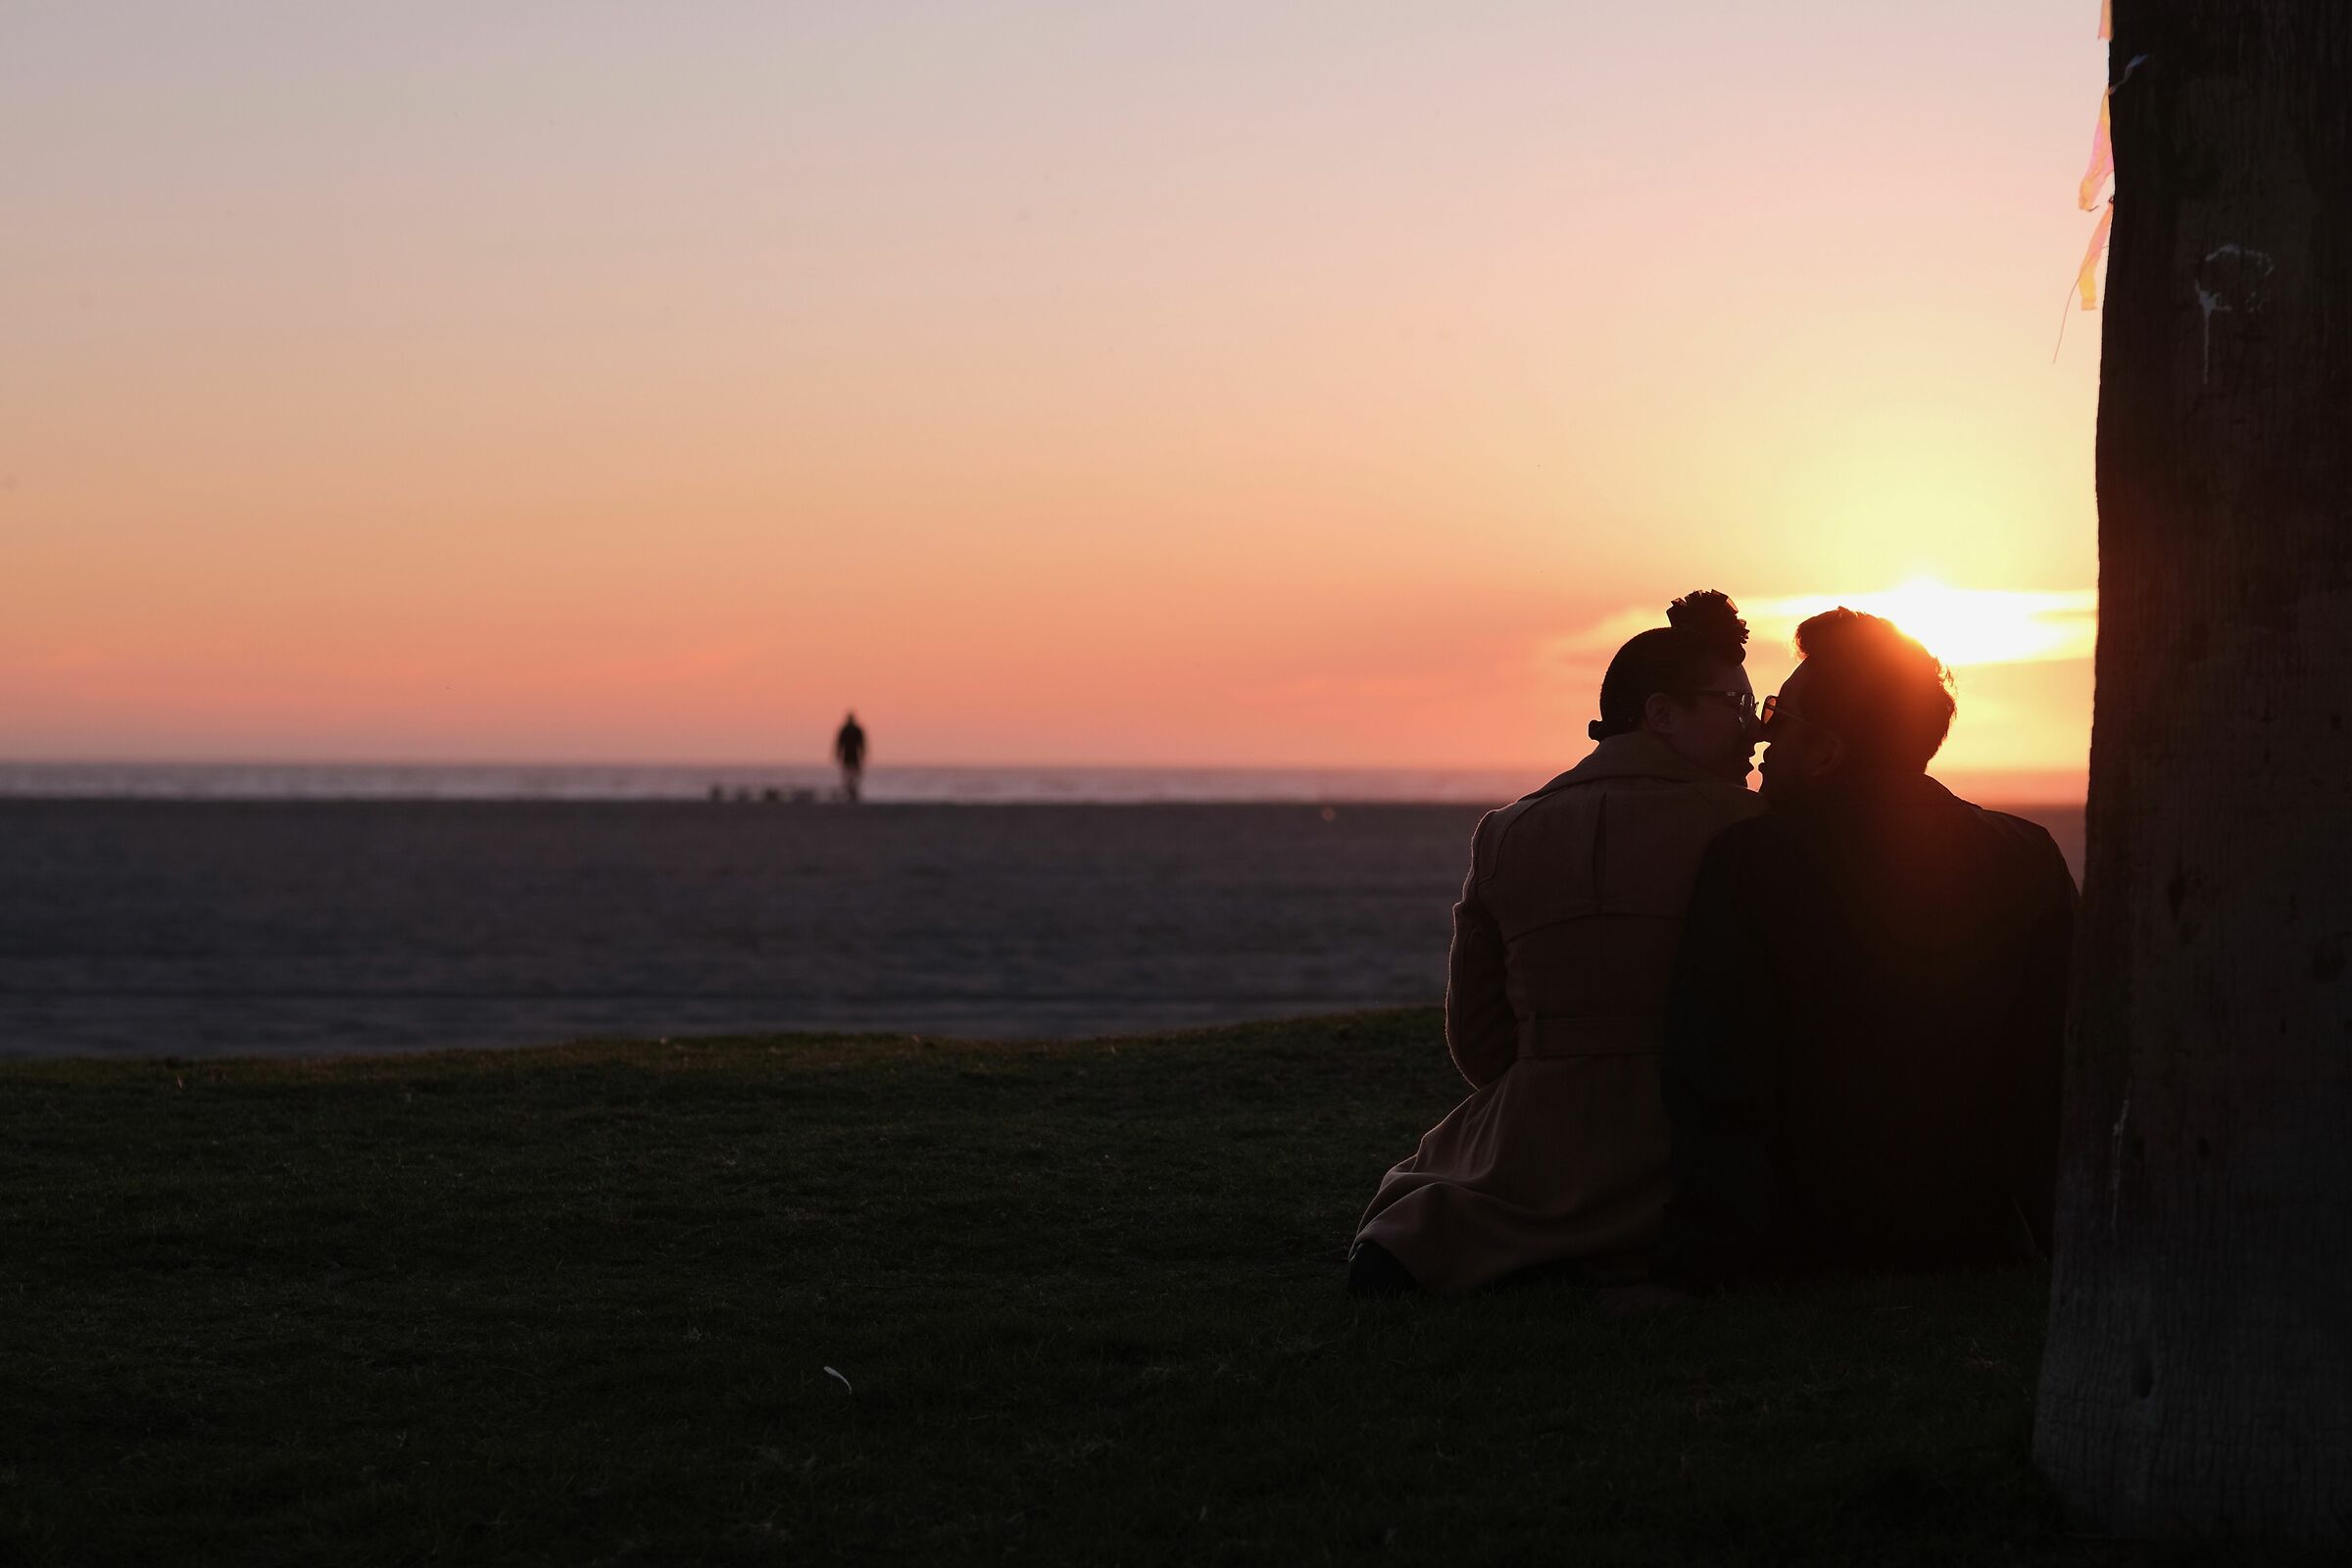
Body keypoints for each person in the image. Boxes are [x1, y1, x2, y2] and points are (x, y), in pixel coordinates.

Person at [1348, 591, 1765, 1296]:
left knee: (1432, 1200)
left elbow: (1480, 1045)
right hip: (1688, 1144)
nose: (1755, 730)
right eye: (1735, 703)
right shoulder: (1750, 828)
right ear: (1662, 714)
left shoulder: (1505, 833)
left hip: (1534, 1146)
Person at [1656, 609, 2077, 1290]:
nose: (1761, 731)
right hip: (1977, 1236)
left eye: (1780, 715)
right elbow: (2056, 1072)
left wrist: (1708, 1259)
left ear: (1827, 754)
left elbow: (1714, 1076)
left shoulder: (1751, 865)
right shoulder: (2027, 856)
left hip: (1806, 1244)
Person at [833, 711, 867, 803]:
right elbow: (840, 743)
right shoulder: (849, 729)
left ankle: (852, 790)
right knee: (849, 774)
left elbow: (862, 743)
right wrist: (838, 754)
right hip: (850, 755)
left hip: (852, 755)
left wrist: (838, 754)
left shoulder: (851, 729)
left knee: (852, 774)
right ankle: (850, 790)